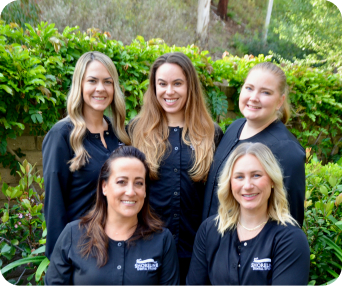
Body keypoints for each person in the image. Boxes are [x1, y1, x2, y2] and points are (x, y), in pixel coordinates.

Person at [128, 52, 223, 283]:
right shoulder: (135, 131)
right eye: (162, 84)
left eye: (177, 83)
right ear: (154, 87)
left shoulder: (212, 134)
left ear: (190, 86)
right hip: (146, 249)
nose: (169, 92)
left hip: (197, 251)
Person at [45, 146, 180, 285]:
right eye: (121, 182)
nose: (131, 192)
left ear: (145, 190)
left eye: (139, 183)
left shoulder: (162, 240)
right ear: (104, 186)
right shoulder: (73, 234)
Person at [42, 51, 130, 259]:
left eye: (107, 82)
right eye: (92, 81)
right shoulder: (62, 135)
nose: (100, 88)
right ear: (79, 85)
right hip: (81, 252)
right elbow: (54, 206)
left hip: (120, 248)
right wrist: (58, 261)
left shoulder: (120, 134)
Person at [187, 142, 310, 285]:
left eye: (256, 175)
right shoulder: (209, 230)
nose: (247, 186)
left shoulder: (290, 239)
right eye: (239, 177)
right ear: (230, 183)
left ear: (272, 180)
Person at [202, 62, 305, 226]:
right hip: (211, 243)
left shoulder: (287, 150)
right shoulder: (234, 128)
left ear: (280, 101)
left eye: (266, 92)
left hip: (248, 249)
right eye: (249, 88)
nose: (254, 97)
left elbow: (290, 221)